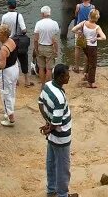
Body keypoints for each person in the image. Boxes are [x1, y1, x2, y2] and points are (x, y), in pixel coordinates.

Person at [38, 64, 72, 197]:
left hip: (52, 136)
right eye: (67, 75)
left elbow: (40, 102)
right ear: (60, 77)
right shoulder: (59, 98)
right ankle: (62, 194)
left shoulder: (47, 86)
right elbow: (57, 122)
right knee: (63, 167)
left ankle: (51, 190)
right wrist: (50, 127)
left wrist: (47, 121)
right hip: (61, 136)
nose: (69, 77)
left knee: (51, 162)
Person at [70, 9, 106, 88]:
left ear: (89, 16)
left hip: (84, 45)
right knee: (93, 64)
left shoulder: (83, 23)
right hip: (92, 47)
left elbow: (73, 30)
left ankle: (86, 74)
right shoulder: (97, 27)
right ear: (97, 18)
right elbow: (104, 37)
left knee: (89, 60)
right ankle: (91, 82)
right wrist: (96, 38)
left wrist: (78, 32)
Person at [2, 0, 32, 88]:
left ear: (8, 6)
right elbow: (24, 29)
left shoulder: (4, 16)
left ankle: (16, 80)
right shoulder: (19, 15)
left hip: (9, 42)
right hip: (19, 41)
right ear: (15, 6)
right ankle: (26, 80)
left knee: (12, 61)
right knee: (23, 59)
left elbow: (2, 29)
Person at [0, 24, 19, 127]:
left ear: (4, 35)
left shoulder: (4, 49)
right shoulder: (11, 41)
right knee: (12, 91)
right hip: (14, 68)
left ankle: (11, 118)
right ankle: (10, 111)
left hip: (7, 72)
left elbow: (2, 65)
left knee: (5, 94)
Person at [33, 6, 60, 86]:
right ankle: (49, 85)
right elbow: (55, 39)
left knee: (41, 67)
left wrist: (36, 49)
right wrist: (56, 50)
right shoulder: (54, 23)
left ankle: (43, 85)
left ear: (42, 14)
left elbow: (35, 39)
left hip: (40, 46)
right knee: (49, 68)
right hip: (50, 47)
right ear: (49, 13)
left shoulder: (38, 23)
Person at [70, 0, 93, 74]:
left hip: (80, 30)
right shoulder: (93, 7)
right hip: (89, 30)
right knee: (87, 49)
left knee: (77, 48)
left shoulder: (78, 6)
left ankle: (76, 66)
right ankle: (85, 69)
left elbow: (76, 15)